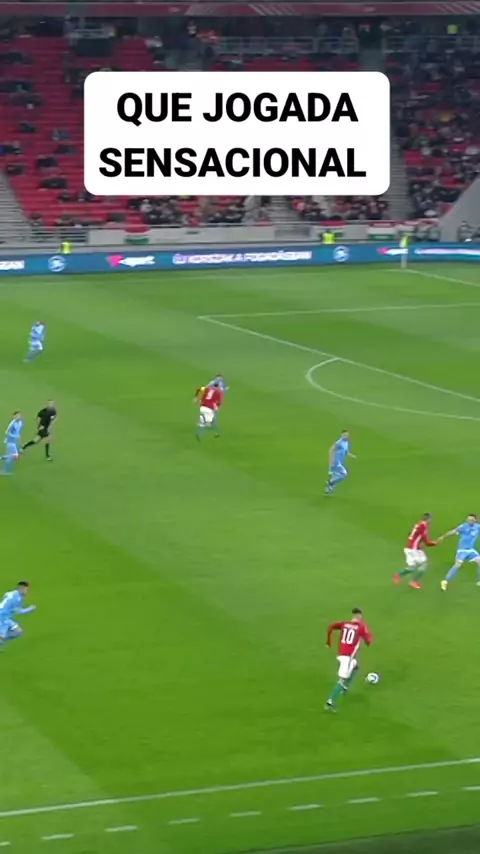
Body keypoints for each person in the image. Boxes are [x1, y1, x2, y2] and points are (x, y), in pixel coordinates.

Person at [325, 607, 373, 712]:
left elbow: (331, 626)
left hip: (342, 654)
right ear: (359, 615)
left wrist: (329, 642)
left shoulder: (344, 624)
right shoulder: (361, 626)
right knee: (342, 679)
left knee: (356, 666)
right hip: (348, 657)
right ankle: (330, 702)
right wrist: (369, 639)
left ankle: (345, 687)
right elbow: (368, 641)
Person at [394, 513, 437, 589]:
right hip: (414, 549)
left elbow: (412, 534)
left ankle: (398, 575)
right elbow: (426, 540)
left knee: (413, 566)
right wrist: (433, 543)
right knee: (424, 564)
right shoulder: (423, 526)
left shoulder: (418, 524)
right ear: (429, 519)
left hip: (408, 547)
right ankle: (414, 582)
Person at [439, 514, 480, 590]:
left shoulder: (478, 527)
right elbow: (453, 531)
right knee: (457, 565)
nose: (469, 521)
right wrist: (443, 536)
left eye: (471, 520)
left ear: (475, 520)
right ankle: (445, 581)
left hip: (471, 550)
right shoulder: (464, 526)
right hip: (462, 550)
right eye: (468, 520)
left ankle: (479, 581)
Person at [0, 582, 36, 648]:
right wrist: (30, 609)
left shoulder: (11, 593)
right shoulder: (17, 598)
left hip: (5, 617)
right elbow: (19, 611)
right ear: (21, 588)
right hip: (2, 617)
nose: (27, 592)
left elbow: (5, 597)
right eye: (26, 589)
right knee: (3, 636)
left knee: (19, 632)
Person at [325, 430, 356, 495]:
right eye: (344, 435)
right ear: (341, 435)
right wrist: (331, 461)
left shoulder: (346, 442)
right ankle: (330, 482)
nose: (345, 436)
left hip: (341, 462)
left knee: (337, 475)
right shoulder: (339, 443)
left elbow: (345, 451)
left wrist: (351, 455)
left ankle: (328, 489)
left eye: (346, 435)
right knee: (344, 474)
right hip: (337, 462)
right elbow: (331, 450)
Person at [1, 411, 23, 475]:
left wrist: (19, 440)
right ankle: (6, 471)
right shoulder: (12, 424)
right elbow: (7, 432)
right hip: (11, 441)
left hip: (15, 441)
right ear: (14, 416)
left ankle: (6, 469)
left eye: (19, 415)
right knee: (13, 456)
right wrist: (13, 437)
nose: (19, 417)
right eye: (17, 415)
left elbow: (18, 432)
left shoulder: (20, 423)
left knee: (13, 455)